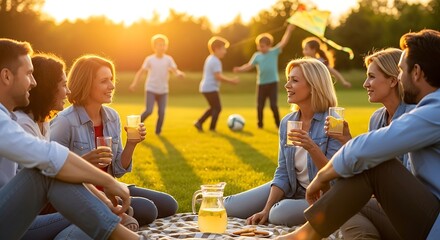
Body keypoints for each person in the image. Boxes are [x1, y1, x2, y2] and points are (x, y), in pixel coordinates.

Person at [276, 29, 440, 240]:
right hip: (426, 214)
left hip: (433, 224)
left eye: (401, 70)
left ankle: (304, 235)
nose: (399, 77)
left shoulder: (435, 112)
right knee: (351, 200)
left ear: (416, 72)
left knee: (375, 166)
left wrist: (323, 176)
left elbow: (370, 148)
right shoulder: (423, 109)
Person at [0, 39, 140, 240]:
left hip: (13, 212)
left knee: (54, 175)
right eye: (29, 74)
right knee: (47, 173)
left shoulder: (12, 119)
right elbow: (52, 159)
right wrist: (108, 182)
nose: (34, 82)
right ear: (6, 76)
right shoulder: (11, 122)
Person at [50, 54, 178, 228]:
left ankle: (114, 216)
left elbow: (117, 170)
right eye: (104, 81)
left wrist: (132, 144)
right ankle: (113, 217)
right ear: (86, 84)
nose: (112, 86)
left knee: (169, 204)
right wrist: (85, 162)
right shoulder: (65, 122)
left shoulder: (112, 117)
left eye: (111, 79)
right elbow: (52, 173)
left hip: (110, 186)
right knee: (148, 210)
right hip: (84, 193)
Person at [224, 58, 342, 227]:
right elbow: (283, 172)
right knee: (227, 206)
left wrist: (311, 147)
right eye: (288, 80)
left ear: (312, 86)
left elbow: (334, 176)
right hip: (294, 187)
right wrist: (265, 209)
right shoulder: (288, 122)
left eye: (294, 80)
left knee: (278, 213)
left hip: (324, 195)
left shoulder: (334, 121)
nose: (287, 86)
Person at [325, 48, 414, 239]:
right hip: (385, 207)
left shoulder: (413, 118)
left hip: (413, 213)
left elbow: (408, 181)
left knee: (344, 202)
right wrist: (346, 141)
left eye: (372, 77)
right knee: (350, 211)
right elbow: (369, 168)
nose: (365, 84)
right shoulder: (377, 119)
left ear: (393, 80)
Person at [233, 24, 294, 129]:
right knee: (260, 106)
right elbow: (249, 66)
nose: (260, 48)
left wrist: (289, 30)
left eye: (262, 46)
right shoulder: (257, 55)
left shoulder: (273, 52)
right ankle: (260, 124)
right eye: (259, 46)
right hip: (261, 84)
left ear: (269, 46)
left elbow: (283, 42)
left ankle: (278, 124)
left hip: (272, 83)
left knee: (273, 105)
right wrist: (240, 69)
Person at [129, 34, 185, 135]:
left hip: (163, 90)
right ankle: (135, 126)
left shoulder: (168, 59)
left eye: (164, 45)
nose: (162, 47)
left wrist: (179, 74)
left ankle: (158, 132)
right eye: (160, 45)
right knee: (149, 110)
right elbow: (141, 72)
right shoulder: (150, 59)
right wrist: (134, 84)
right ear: (154, 47)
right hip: (151, 88)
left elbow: (174, 70)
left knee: (162, 112)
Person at [194, 36, 239, 132]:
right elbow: (218, 76)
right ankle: (212, 128)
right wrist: (231, 81)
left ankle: (199, 122)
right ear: (216, 49)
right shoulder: (215, 61)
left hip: (206, 87)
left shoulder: (210, 58)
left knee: (213, 107)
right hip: (210, 88)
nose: (225, 52)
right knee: (217, 108)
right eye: (223, 49)